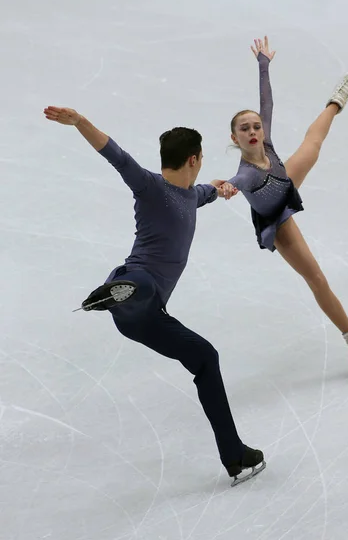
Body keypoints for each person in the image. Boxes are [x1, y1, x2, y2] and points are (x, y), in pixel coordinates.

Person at [43, 105, 265, 485]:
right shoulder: (148, 186)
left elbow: (210, 190)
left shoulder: (192, 195)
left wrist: (222, 187)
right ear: (193, 159)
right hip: (136, 284)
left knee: (205, 358)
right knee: (141, 283)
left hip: (145, 321)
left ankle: (235, 456)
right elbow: (115, 154)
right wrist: (80, 122)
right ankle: (115, 293)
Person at [226, 37, 348, 377]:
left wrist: (263, 65)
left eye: (255, 126)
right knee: (317, 278)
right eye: (244, 129)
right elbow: (234, 185)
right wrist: (222, 188)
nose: (252, 131)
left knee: (313, 142)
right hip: (276, 219)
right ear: (234, 138)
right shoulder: (245, 174)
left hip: (284, 179)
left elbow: (267, 101)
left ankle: (337, 100)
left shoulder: (264, 141)